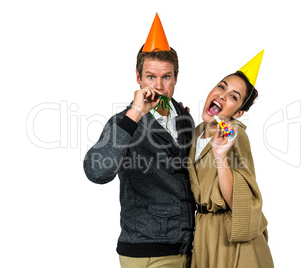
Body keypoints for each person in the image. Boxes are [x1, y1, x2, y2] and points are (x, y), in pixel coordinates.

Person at [83, 13, 195, 268]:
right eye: (150, 77)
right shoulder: (124, 122)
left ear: (176, 77)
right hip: (146, 250)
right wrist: (135, 113)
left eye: (166, 77)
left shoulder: (185, 119)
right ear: (138, 77)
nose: (158, 86)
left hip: (188, 247)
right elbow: (97, 172)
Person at [188, 50, 274, 268]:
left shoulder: (234, 134)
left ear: (237, 113)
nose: (223, 95)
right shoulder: (196, 132)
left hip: (233, 243)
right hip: (205, 237)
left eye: (234, 97)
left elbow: (239, 200)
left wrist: (220, 157)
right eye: (221, 86)